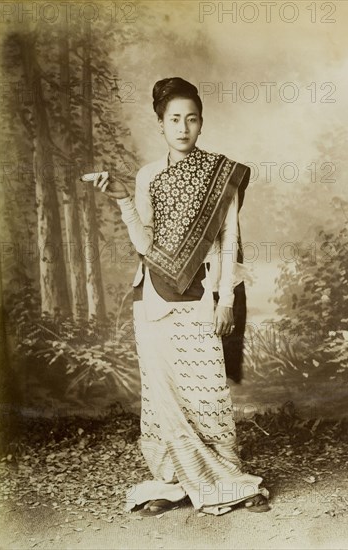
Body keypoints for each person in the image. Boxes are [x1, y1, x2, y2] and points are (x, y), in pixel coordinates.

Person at [90, 77, 269, 516]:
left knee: (206, 392)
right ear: (160, 125)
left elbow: (229, 242)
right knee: (161, 397)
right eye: (174, 119)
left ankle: (229, 480)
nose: (183, 127)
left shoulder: (222, 174)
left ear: (202, 123)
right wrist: (121, 200)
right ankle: (170, 482)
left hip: (201, 294)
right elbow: (145, 243)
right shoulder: (149, 174)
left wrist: (226, 298)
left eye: (191, 118)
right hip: (152, 295)